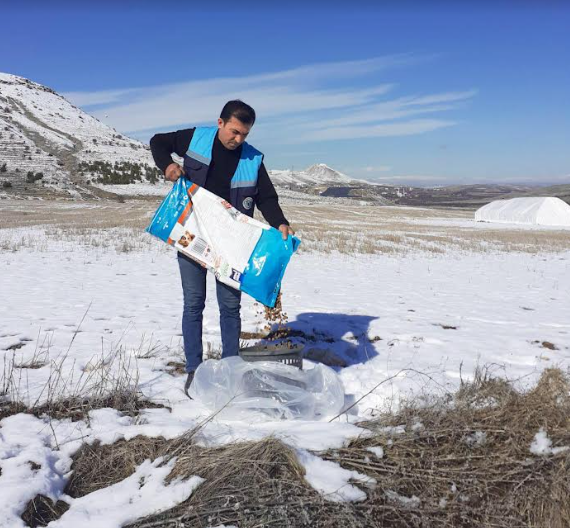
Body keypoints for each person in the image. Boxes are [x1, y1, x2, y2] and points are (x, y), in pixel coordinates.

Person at [150, 100, 294, 397]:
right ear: (220, 122)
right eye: (234, 131)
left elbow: (266, 196)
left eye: (244, 134)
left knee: (230, 307)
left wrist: (279, 222)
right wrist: (167, 165)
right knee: (194, 304)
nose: (238, 139)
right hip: (193, 236)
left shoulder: (253, 159)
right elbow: (157, 142)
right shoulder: (195, 138)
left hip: (232, 246)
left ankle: (231, 369)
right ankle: (194, 370)